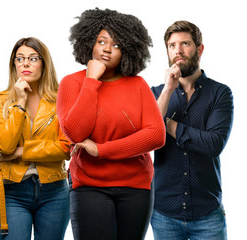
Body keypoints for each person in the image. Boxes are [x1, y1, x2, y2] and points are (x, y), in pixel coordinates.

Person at [56, 8, 166, 240]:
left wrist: (102, 149)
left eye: (116, 45)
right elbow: (76, 132)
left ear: (127, 50)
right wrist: (91, 80)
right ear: (88, 43)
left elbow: (156, 135)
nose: (107, 49)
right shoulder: (72, 83)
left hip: (136, 187)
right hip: (89, 186)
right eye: (101, 41)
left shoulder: (138, 85)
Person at [150, 21, 234, 240]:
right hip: (164, 213)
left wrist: (168, 125)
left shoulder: (220, 94)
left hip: (207, 212)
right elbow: (150, 137)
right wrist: (168, 89)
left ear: (199, 49)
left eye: (185, 43)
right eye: (172, 45)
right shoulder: (156, 94)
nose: (178, 50)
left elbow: (213, 144)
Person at [0, 37, 71, 240]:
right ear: (14, 65)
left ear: (44, 63)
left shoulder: (61, 98)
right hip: (13, 192)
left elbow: (64, 149)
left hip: (55, 191)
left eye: (33, 58)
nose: (25, 63)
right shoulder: (1, 99)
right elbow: (4, 145)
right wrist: (19, 102)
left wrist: (20, 152)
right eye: (19, 59)